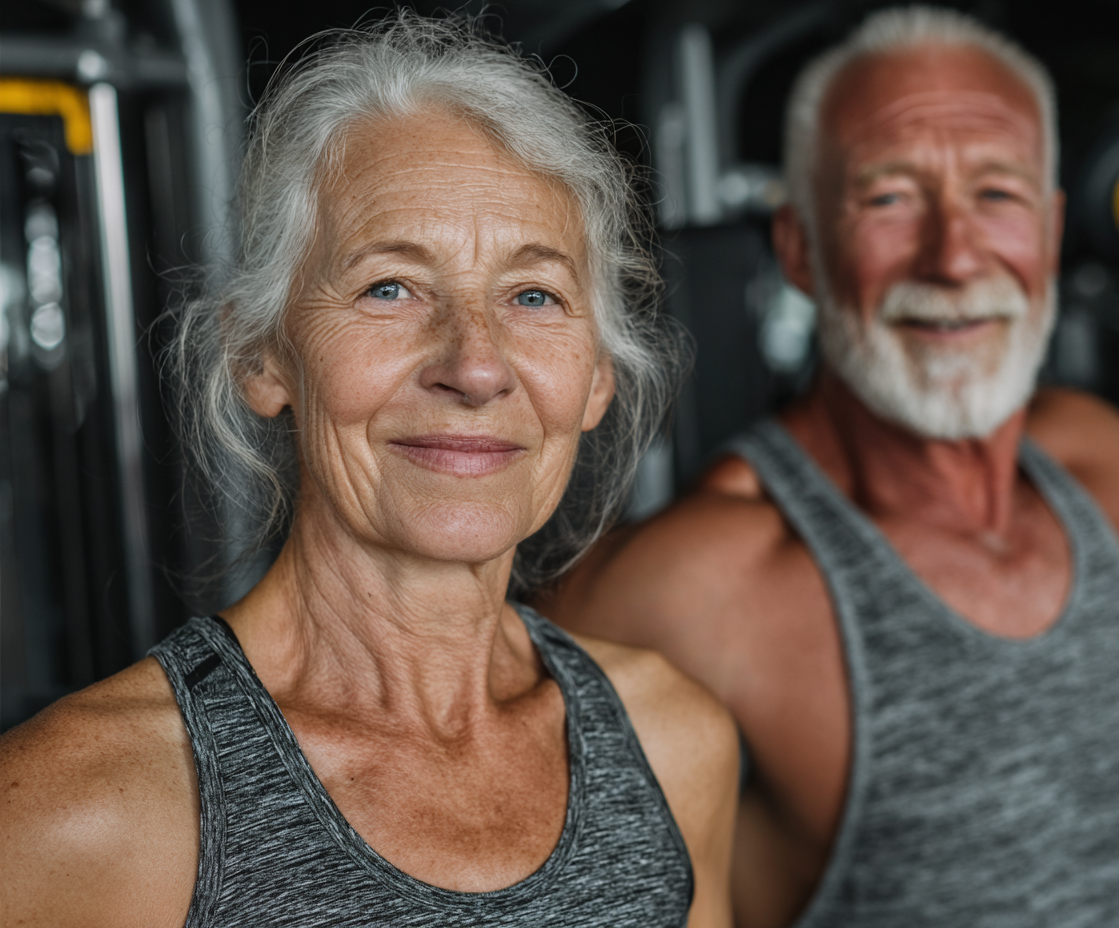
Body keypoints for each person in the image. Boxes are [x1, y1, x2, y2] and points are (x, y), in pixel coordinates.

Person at [0, 15, 738, 927]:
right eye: (389, 287)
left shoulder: (673, 742)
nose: (474, 365)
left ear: (596, 382)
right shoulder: (83, 813)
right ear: (264, 357)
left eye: (533, 296)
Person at [537, 7, 1119, 928]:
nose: (953, 258)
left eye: (997, 195)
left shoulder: (1087, 465)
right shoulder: (707, 582)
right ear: (799, 247)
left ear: (1053, 233)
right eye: (889, 198)